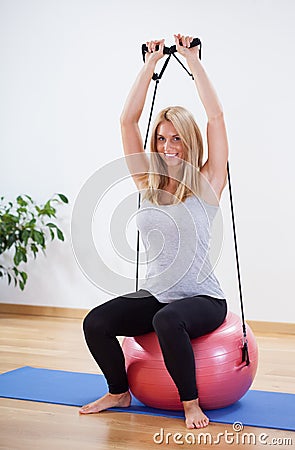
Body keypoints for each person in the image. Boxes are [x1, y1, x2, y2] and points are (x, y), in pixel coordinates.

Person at [79, 34, 229, 429]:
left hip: (203, 298)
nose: (168, 146)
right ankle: (118, 390)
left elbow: (216, 118)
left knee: (168, 322)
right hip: (159, 296)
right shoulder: (146, 181)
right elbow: (127, 120)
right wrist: (149, 64)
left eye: (176, 137)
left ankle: (191, 403)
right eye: (162, 138)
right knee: (96, 322)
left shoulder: (208, 182)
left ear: (190, 140)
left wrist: (192, 61)